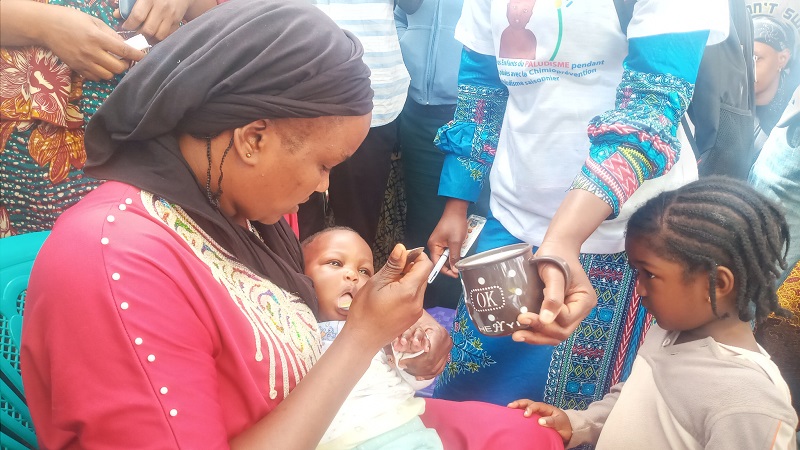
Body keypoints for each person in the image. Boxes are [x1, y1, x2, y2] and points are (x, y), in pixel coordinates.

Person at [19, 1, 453, 447]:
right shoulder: (115, 260)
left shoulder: (242, 210)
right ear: (253, 139)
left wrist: (384, 323)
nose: (325, 188)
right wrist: (361, 336)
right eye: (325, 164)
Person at [428, 0, 730, 409]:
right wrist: (456, 204)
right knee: (477, 393)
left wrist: (562, 238)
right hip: (513, 217)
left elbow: (650, 110)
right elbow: (481, 92)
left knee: (582, 410)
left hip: (625, 233)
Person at [510, 177, 799, 449]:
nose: (638, 289)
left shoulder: (750, 405)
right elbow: (638, 395)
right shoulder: (667, 330)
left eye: (649, 274)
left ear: (717, 284)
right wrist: (580, 424)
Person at [0, 0, 215, 237]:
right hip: (33, 140)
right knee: (36, 260)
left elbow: (238, 26)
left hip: (168, 121)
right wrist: (44, 25)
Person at [302, 227, 443, 449]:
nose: (353, 275)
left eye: (365, 271)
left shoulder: (382, 326)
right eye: (335, 263)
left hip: (403, 431)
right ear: (298, 275)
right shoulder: (297, 330)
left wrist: (414, 352)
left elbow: (416, 377)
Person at [395, 0, 490, 309]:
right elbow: (398, 14)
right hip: (420, 110)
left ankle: (468, 320)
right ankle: (424, 319)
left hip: (485, 110)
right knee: (425, 225)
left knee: (479, 227)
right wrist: (405, 52)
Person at [298, 0, 410, 250]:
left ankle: (354, 289)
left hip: (371, 95)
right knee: (297, 224)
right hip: (295, 85)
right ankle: (294, 287)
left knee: (357, 229)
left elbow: (411, 6)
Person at [753, 14, 799, 151]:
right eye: (740, 56)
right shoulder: (724, 104)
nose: (744, 67)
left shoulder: (794, 119)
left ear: (783, 58)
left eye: (755, 58)